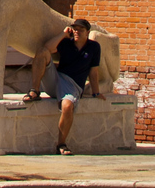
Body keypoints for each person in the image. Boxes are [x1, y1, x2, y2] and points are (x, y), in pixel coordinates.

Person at [24, 17, 107, 154]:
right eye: (75, 29)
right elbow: (48, 48)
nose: (77, 32)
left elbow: (93, 72)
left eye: (81, 30)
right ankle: (35, 91)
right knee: (41, 51)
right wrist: (63, 34)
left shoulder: (94, 47)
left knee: (67, 106)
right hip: (56, 78)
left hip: (72, 85)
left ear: (87, 32)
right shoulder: (66, 43)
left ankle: (61, 144)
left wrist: (96, 92)